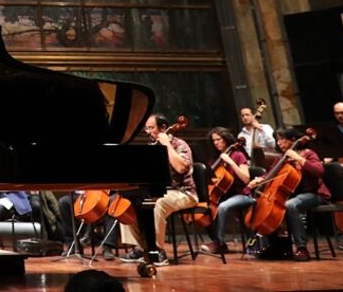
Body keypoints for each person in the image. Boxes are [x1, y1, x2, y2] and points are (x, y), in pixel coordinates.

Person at [120, 114, 195, 266]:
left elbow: (181, 168)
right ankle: (142, 248)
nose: (148, 132)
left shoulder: (179, 144)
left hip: (183, 192)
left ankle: (157, 250)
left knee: (158, 203)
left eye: (151, 128)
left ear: (162, 128)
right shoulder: (152, 147)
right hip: (159, 190)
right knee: (128, 204)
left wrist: (166, 144)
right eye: (146, 128)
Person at [245, 127, 328, 262]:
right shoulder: (281, 158)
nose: (279, 143)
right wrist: (260, 179)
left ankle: (301, 248)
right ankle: (274, 246)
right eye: (277, 140)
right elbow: (270, 173)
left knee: (290, 205)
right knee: (271, 209)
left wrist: (298, 159)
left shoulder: (308, 153)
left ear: (293, 140)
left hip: (313, 193)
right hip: (292, 195)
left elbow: (319, 171)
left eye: (282, 139)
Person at [199, 127, 252, 255]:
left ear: (226, 139)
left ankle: (218, 243)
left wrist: (231, 162)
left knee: (222, 207)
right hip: (223, 194)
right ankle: (218, 242)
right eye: (214, 141)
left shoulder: (238, 155)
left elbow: (246, 179)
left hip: (241, 194)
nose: (216, 143)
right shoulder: (215, 158)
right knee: (202, 211)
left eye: (219, 139)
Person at [57, 192, 119, 260]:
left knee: (111, 202)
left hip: (103, 193)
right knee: (63, 202)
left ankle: (108, 246)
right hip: (81, 195)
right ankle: (74, 244)